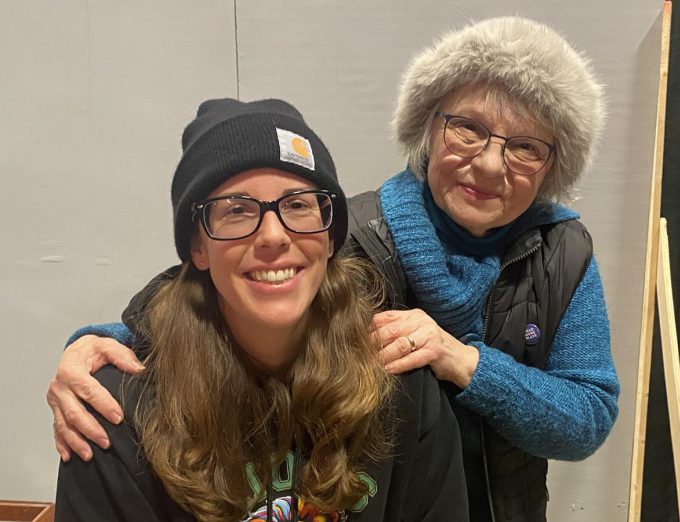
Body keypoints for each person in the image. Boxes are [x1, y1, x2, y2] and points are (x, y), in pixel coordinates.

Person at [48, 17, 620, 522]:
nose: (491, 163)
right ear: (428, 129)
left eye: (525, 147)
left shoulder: (562, 252)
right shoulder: (354, 233)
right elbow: (238, 287)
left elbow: (588, 417)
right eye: (467, 128)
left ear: (552, 167)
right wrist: (99, 346)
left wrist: (465, 363)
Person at [53, 98, 468, 521]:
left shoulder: (399, 379)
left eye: (298, 204)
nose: (273, 236)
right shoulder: (115, 413)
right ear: (198, 247)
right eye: (237, 210)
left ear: (329, 238)